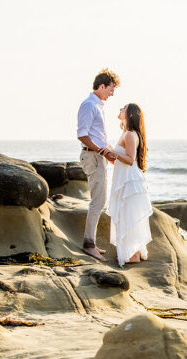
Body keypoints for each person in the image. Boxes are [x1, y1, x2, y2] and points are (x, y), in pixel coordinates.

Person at [76, 68, 121, 261]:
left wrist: (109, 152)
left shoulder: (98, 106)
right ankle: (89, 244)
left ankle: (90, 242)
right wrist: (102, 151)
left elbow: (98, 136)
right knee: (98, 200)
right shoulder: (89, 105)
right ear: (101, 86)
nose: (112, 94)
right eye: (111, 89)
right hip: (92, 157)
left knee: (100, 200)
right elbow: (82, 134)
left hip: (98, 156)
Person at [108, 103, 152, 266]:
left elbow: (130, 159)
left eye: (123, 108)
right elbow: (119, 161)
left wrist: (113, 153)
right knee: (125, 214)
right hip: (124, 177)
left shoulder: (130, 135)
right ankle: (131, 252)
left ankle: (133, 254)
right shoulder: (125, 133)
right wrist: (109, 154)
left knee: (129, 215)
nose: (120, 109)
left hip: (130, 181)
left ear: (130, 115)